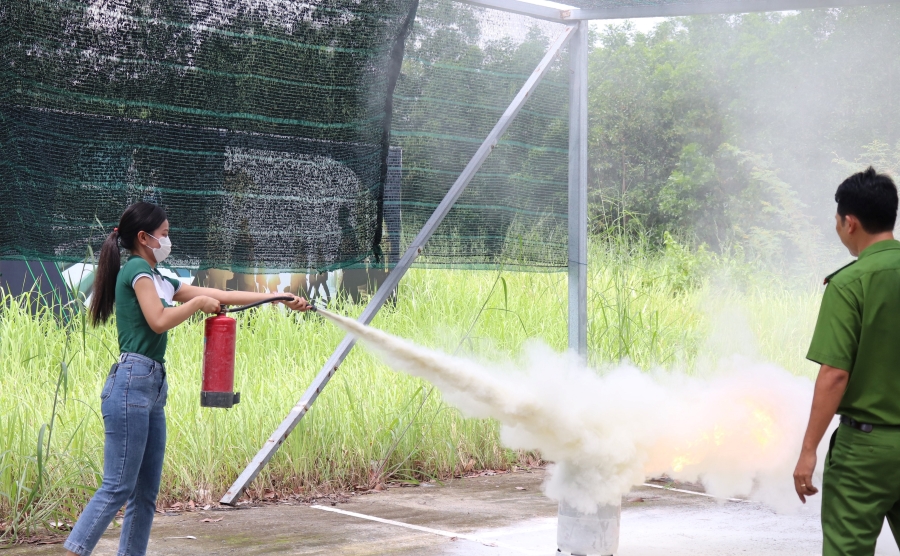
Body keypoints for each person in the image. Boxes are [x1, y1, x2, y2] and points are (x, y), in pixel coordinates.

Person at [64, 202, 309, 556]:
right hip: (132, 382)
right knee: (117, 486)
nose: (168, 240)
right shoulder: (137, 270)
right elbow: (158, 320)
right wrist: (197, 305)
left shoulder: (159, 278)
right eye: (164, 234)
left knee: (145, 493)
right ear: (144, 238)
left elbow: (223, 296)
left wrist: (279, 297)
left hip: (151, 385)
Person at [793, 167, 900, 555]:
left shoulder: (850, 283)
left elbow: (835, 374)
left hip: (865, 453)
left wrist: (809, 450)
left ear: (849, 222)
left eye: (837, 221)